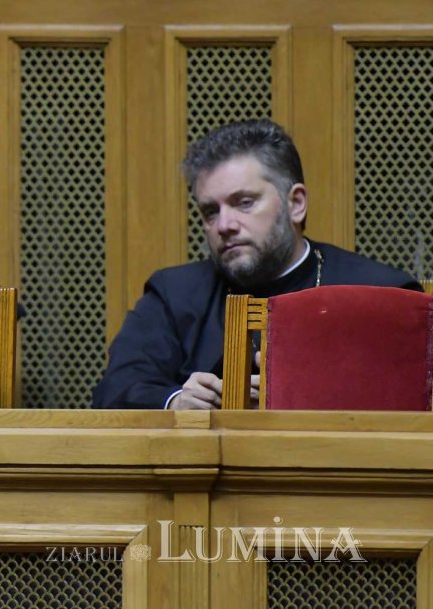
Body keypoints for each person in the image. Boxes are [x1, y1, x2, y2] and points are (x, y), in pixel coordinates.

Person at [92, 119, 420, 410]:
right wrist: (175, 401)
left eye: (244, 203)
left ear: (296, 204)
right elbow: (114, 391)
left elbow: (413, 403)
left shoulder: (384, 293)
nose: (224, 225)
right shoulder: (173, 295)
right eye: (210, 212)